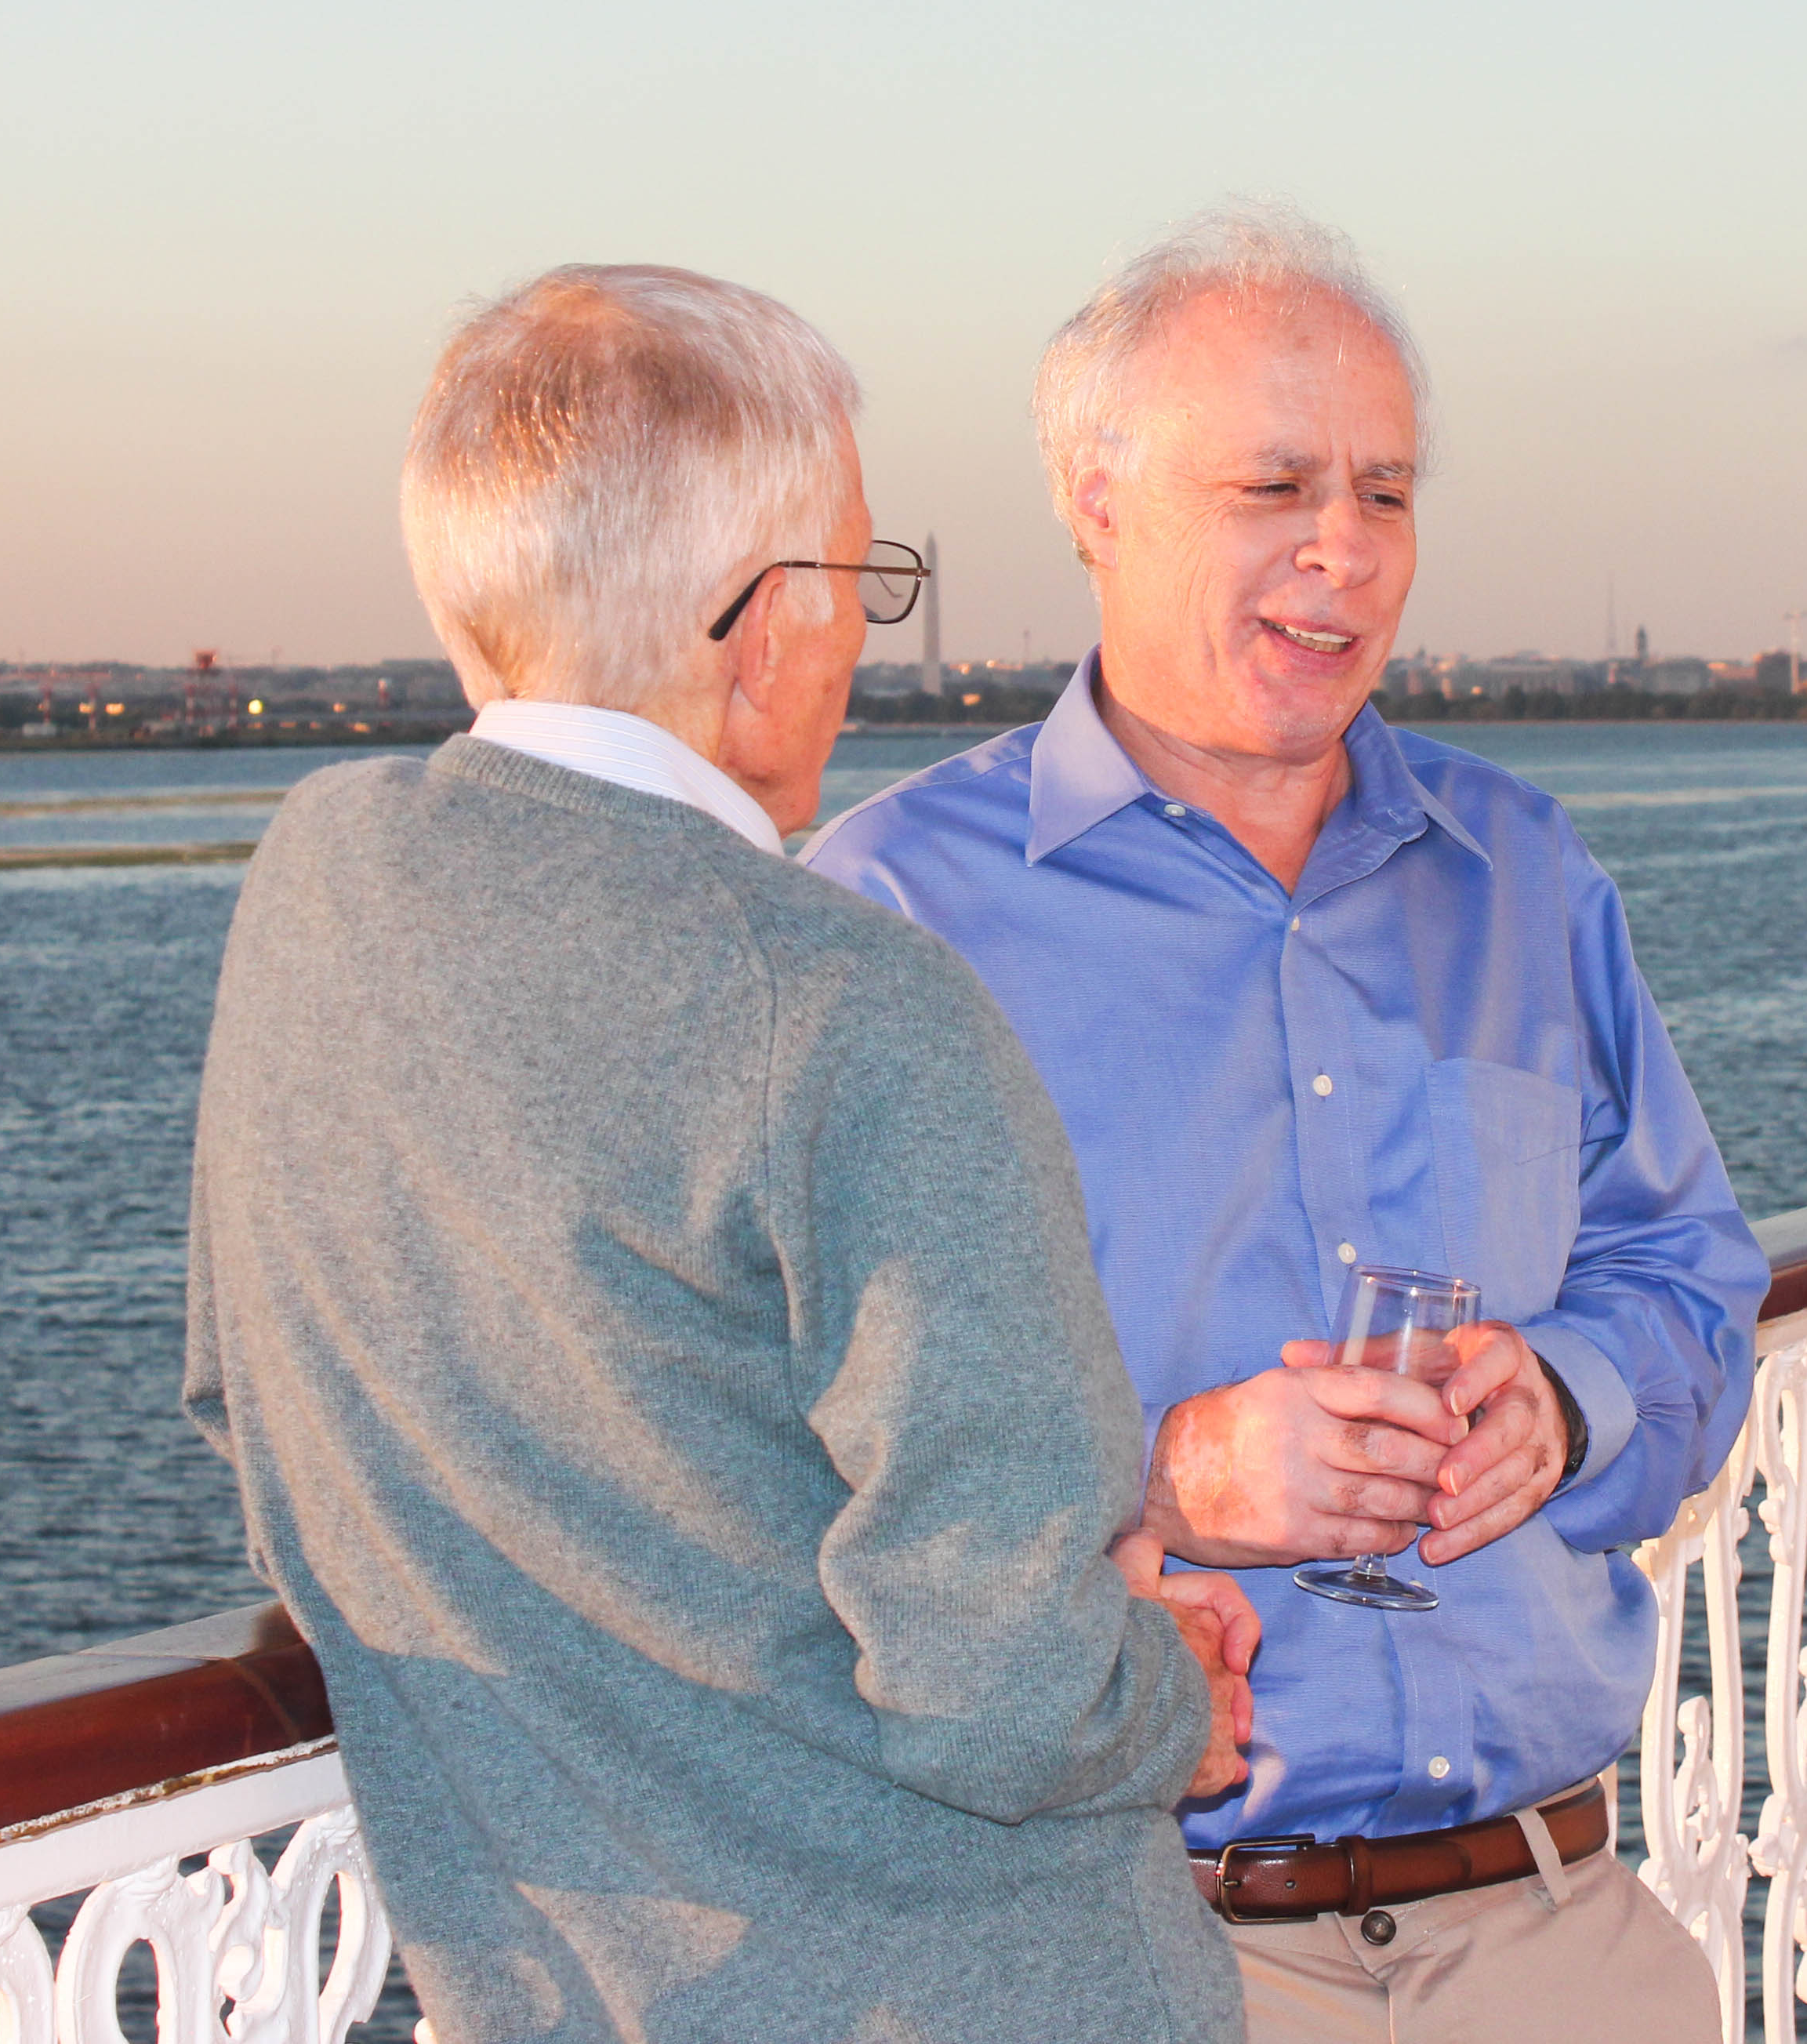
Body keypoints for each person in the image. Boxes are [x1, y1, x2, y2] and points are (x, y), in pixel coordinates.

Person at [183, 264, 1257, 2044]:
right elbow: (1004, 1685)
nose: (857, 641)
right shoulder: (840, 1001)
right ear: (759, 631)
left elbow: (252, 1404)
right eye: (858, 581)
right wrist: (1171, 1697)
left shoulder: (317, 887)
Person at [807, 205, 1768, 2043]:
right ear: (1096, 499)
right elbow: (782, 1447)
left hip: (1556, 1941)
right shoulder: (890, 918)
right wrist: (1161, 1477)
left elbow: (1690, 1277)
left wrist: (1566, 1405)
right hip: (1124, 1954)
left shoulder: (1523, 872)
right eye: (1275, 486)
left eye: (1385, 491)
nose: (1347, 549)